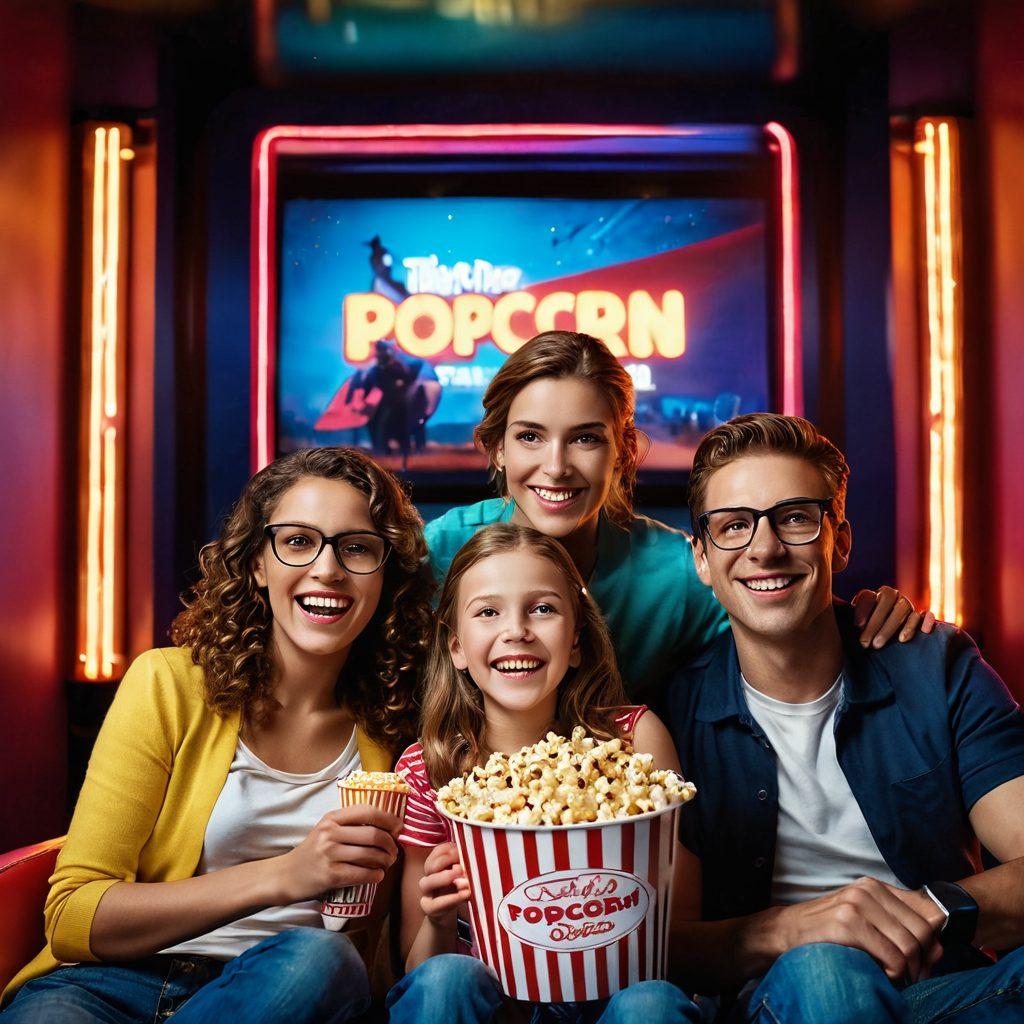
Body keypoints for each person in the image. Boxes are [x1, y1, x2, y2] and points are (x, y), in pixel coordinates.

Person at [1, 447, 434, 1023]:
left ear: (386, 576)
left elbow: (376, 950)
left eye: (356, 548)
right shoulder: (168, 684)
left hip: (280, 990)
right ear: (257, 563)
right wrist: (286, 874)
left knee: (320, 959)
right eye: (298, 541)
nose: (327, 569)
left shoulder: (402, 727)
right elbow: (75, 917)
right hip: (109, 988)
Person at [664, 413, 1024, 1022]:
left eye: (796, 517)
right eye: (733, 527)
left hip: (946, 993)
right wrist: (791, 930)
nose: (765, 547)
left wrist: (929, 911)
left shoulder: (937, 667)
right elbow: (665, 944)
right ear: (701, 558)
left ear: (842, 539)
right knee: (826, 968)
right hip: (780, 998)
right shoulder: (674, 712)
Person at [424, 330, 932, 703]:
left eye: (585, 438)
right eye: (530, 436)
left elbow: (784, 614)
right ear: (497, 450)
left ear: (622, 452)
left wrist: (865, 615)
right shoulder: (440, 551)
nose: (555, 468)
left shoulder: (677, 571)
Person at [387, 522, 704, 1024]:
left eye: (543, 609)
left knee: (652, 1002)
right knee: (447, 978)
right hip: (489, 1003)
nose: (517, 630)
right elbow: (417, 970)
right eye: (488, 612)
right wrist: (439, 915)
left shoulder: (632, 743)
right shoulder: (426, 769)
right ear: (455, 647)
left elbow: (678, 931)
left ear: (576, 639)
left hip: (614, 998)